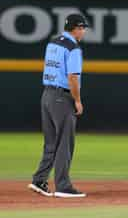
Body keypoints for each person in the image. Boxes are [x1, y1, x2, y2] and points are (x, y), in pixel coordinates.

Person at [28, 14, 88, 198]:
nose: (84, 31)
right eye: (83, 28)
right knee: (64, 143)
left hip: (47, 95)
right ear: (76, 28)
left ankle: (39, 179)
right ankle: (63, 185)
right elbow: (72, 77)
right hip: (62, 98)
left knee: (51, 142)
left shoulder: (53, 43)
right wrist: (77, 100)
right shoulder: (73, 48)